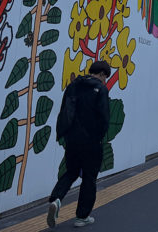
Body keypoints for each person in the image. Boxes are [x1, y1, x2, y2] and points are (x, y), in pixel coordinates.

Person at [47, 61, 111, 228]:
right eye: (105, 77)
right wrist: (98, 136)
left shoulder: (74, 85)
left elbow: (64, 111)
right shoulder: (101, 90)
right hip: (91, 141)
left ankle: (56, 199)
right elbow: (104, 118)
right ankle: (82, 217)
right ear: (102, 74)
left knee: (71, 172)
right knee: (89, 178)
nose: (104, 81)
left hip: (72, 140)